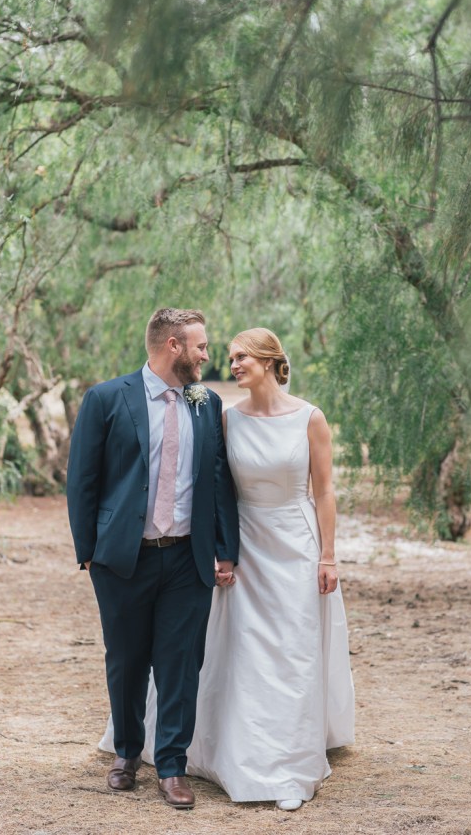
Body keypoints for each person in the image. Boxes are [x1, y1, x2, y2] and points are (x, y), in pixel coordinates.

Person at [98, 327, 356, 810]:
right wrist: (222, 549)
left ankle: (289, 753)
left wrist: (328, 554)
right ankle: (232, 747)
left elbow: (324, 491)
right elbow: (214, 484)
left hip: (295, 544)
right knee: (240, 646)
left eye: (241, 357)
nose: (231, 364)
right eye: (229, 357)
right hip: (243, 543)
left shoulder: (310, 418)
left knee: (292, 647)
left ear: (269, 360)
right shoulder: (223, 415)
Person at [66, 308, 240, 809]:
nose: (207, 355)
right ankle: (126, 753)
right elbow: (82, 479)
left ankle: (171, 766)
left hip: (188, 558)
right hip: (123, 559)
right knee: (126, 661)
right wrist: (89, 553)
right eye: (201, 346)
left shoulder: (206, 403)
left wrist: (225, 550)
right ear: (172, 346)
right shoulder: (106, 398)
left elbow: (218, 480)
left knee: (180, 664)